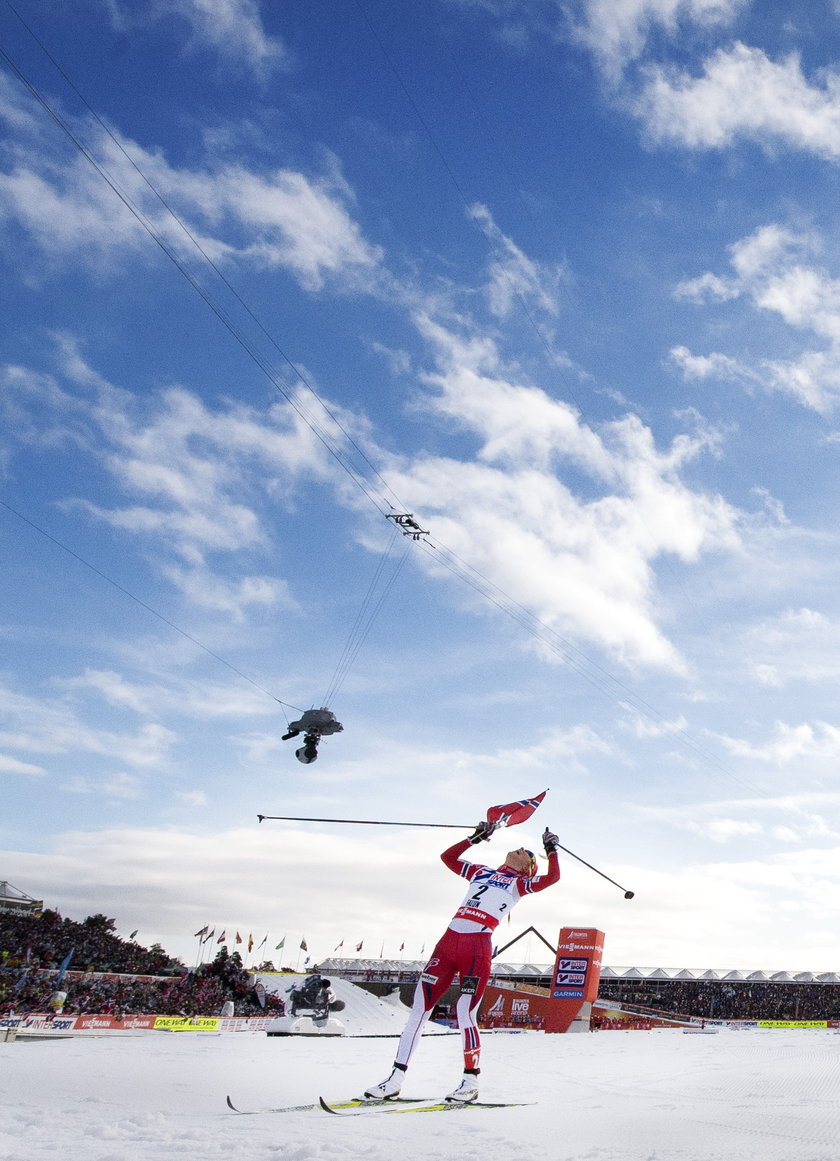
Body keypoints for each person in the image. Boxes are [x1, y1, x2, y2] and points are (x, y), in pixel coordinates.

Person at [362, 819, 561, 1104]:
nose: (519, 848)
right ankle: (395, 1079)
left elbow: (553, 878)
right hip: (447, 943)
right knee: (418, 1009)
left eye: (525, 852)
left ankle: (470, 1081)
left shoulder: (519, 884)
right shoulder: (481, 871)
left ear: (528, 868)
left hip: (476, 948)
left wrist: (551, 849)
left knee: (465, 1011)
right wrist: (475, 837)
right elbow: (448, 858)